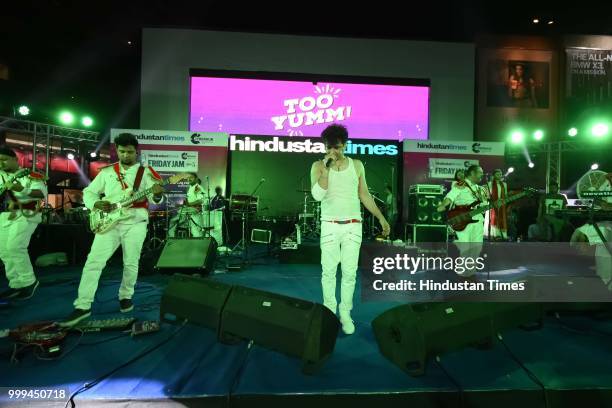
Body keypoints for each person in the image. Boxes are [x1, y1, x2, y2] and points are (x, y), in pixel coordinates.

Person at [60, 133, 164, 326]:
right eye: (122, 151)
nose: (126, 155)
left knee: (131, 262)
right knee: (94, 261)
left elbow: (155, 199)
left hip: (135, 222)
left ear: (136, 151)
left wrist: (157, 196)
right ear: (117, 150)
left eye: (130, 152)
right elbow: (89, 192)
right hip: (109, 222)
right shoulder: (107, 172)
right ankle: (82, 306)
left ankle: (126, 296)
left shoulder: (146, 172)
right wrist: (96, 203)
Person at [310, 124, 390, 335]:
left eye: (336, 147)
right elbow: (317, 196)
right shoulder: (318, 166)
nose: (332, 152)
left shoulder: (357, 165)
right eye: (328, 147)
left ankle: (345, 312)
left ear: (344, 145)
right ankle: (329, 311)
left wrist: (381, 217)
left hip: (353, 226)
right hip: (329, 225)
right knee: (328, 272)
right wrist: (325, 170)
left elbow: (364, 195)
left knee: (349, 273)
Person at [0, 146, 47, 301]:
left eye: (4, 160)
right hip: (5, 215)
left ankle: (29, 282)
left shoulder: (31, 175)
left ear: (15, 159)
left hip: (26, 214)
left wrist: (22, 189)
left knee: (15, 247)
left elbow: (41, 194)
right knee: (5, 252)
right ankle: (16, 284)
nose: (1, 163)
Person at [437, 165, 489, 277]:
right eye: (480, 172)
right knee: (465, 248)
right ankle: (461, 273)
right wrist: (442, 205)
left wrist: (490, 203)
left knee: (477, 247)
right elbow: (451, 196)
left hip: (478, 219)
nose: (482, 175)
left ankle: (471, 272)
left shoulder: (480, 189)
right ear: (472, 173)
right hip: (464, 220)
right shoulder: (461, 185)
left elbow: (485, 205)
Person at [487, 169, 508, 240]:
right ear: (494, 175)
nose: (499, 175)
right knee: (493, 218)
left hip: (501, 204)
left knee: (501, 218)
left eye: (500, 174)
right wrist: (494, 201)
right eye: (497, 174)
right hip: (493, 204)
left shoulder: (504, 184)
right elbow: (487, 194)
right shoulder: (490, 183)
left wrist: (502, 200)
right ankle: (493, 234)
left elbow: (505, 195)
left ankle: (502, 235)